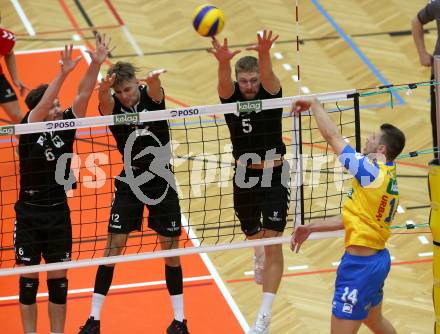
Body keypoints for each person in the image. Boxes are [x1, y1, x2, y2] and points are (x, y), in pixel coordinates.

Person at [78, 61, 189, 334]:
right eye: (120, 92)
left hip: (162, 179)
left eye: (128, 89)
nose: (125, 96)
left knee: (170, 250)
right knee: (113, 247)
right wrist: (103, 90)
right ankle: (93, 320)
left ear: (135, 83)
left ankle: (179, 321)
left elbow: (155, 91)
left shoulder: (151, 97)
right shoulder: (114, 104)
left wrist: (152, 81)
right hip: (130, 178)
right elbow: (104, 103)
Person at [14, 35, 109, 334]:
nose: (57, 109)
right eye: (53, 106)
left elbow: (82, 96)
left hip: (58, 214)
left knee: (59, 284)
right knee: (29, 285)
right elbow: (42, 105)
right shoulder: (28, 128)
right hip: (28, 214)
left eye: (58, 105)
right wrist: (63, 72)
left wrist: (94, 64)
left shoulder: (65, 128)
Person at [290, 98, 406, 334]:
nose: (367, 139)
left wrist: (314, 104)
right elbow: (353, 218)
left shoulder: (370, 172)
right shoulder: (388, 176)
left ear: (382, 150)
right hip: (376, 261)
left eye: (372, 137)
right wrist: (312, 227)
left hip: (359, 269)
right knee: (375, 322)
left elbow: (333, 137)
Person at [208, 30, 289, 333]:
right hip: (244, 174)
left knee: (273, 243)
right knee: (251, 230)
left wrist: (265, 53)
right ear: (237, 81)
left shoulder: (270, 91)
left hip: (275, 173)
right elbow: (222, 82)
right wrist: (222, 62)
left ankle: (263, 316)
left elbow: (267, 74)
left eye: (253, 80)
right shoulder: (231, 98)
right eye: (245, 81)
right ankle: (255, 249)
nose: (250, 86)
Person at [411, 2, 439, 158]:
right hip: (439, 75)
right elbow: (416, 22)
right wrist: (422, 53)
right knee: (439, 128)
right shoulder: (438, 5)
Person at [0, 20, 28, 123]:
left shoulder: (6, 38)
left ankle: (26, 139)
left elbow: (9, 53)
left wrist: (15, 79)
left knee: (18, 118)